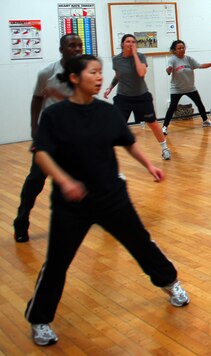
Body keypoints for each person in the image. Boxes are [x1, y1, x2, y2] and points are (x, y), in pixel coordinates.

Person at [25, 54, 189, 347]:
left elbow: (127, 142)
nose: (99, 77)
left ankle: (170, 283)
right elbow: (41, 153)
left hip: (111, 196)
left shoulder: (107, 111)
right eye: (92, 72)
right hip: (71, 204)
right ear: (74, 78)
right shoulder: (55, 116)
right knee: (57, 262)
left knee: (141, 243)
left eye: (101, 72)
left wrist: (148, 165)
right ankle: (40, 319)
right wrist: (65, 181)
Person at [13, 34, 83, 243]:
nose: (77, 49)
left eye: (79, 45)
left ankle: (97, 216)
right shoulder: (47, 72)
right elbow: (36, 100)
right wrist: (35, 128)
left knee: (90, 177)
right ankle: (21, 221)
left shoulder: (85, 70)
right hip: (50, 135)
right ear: (62, 49)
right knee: (35, 180)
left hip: (75, 136)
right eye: (72, 46)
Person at [103, 34, 171, 160]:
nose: (131, 44)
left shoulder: (140, 56)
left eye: (133, 42)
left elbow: (141, 73)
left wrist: (134, 54)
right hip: (123, 97)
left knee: (153, 124)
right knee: (116, 125)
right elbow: (118, 76)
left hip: (141, 97)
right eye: (128, 41)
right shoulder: (116, 59)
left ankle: (165, 148)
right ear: (122, 44)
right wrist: (110, 87)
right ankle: (107, 154)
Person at [161, 40, 211, 135]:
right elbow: (168, 70)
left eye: (183, 48)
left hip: (190, 88)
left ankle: (205, 121)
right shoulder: (172, 59)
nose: (181, 49)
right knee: (172, 107)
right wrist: (169, 70)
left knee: (199, 104)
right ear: (174, 50)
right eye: (179, 48)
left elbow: (200, 66)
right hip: (177, 89)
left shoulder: (189, 59)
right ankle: (164, 127)